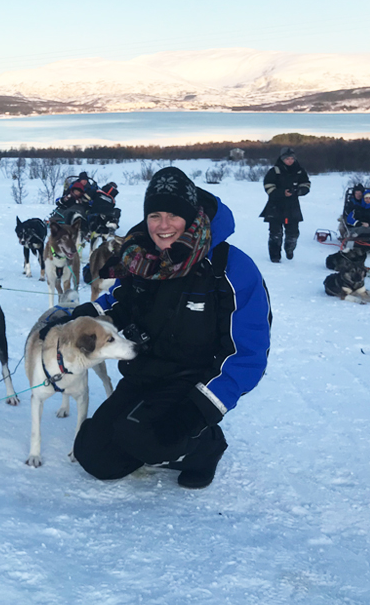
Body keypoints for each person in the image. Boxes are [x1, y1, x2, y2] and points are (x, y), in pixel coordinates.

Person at [68, 167, 272, 488]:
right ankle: (147, 437)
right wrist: (89, 313)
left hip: (193, 384)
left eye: (174, 215)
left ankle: (206, 446)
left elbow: (248, 356)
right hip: (145, 374)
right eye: (155, 215)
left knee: (150, 436)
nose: (163, 226)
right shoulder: (141, 257)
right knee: (93, 454)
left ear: (191, 217)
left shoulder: (230, 268)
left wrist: (198, 411)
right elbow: (122, 302)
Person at [259, 147, 311, 262]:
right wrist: (282, 193)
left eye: (292, 158)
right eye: (287, 159)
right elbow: (268, 187)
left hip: (292, 206)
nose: (290, 161)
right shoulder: (274, 171)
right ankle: (275, 257)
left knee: (293, 233)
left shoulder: (299, 171)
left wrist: (299, 191)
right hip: (275, 206)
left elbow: (306, 184)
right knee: (275, 234)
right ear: (282, 159)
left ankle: (289, 248)